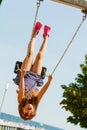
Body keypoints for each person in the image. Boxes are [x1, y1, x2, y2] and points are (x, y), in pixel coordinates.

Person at [13, 21, 53, 120]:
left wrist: (22, 75)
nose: (29, 110)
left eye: (26, 112)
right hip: (35, 77)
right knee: (39, 56)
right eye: (31, 112)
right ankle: (46, 36)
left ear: (22, 109)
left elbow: (22, 87)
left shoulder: (21, 100)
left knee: (30, 54)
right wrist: (49, 81)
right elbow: (43, 91)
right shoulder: (36, 101)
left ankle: (35, 33)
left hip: (24, 76)